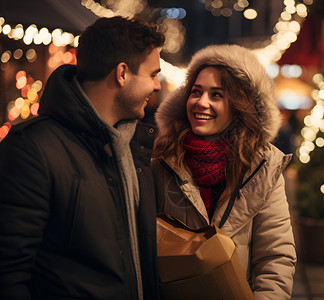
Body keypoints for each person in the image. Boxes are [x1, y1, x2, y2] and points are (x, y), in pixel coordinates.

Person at [0, 16, 164, 299]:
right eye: (152, 74)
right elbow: (8, 273)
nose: (158, 86)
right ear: (122, 73)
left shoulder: (131, 148)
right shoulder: (32, 147)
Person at [151, 44, 297, 299]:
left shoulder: (263, 166)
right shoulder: (162, 157)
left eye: (216, 95)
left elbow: (276, 258)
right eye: (196, 92)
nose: (201, 103)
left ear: (238, 104)